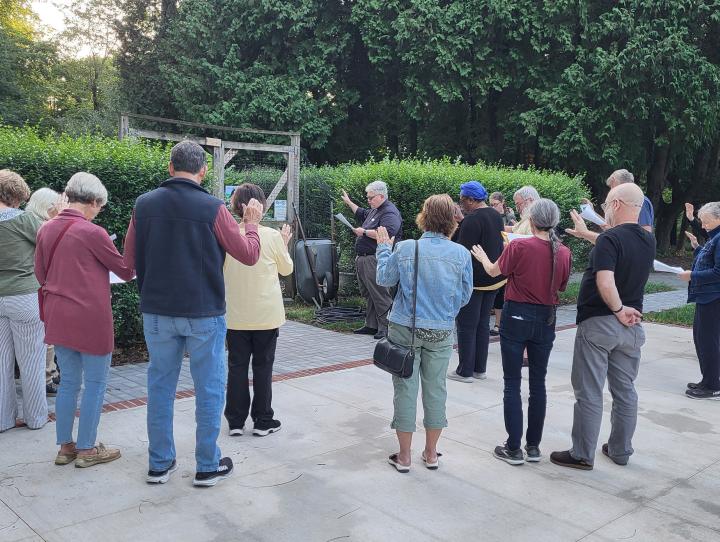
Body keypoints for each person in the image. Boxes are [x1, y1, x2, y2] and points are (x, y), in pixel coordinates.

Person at [123, 141, 262, 487]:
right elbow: (248, 255)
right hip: (203, 312)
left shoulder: (143, 205)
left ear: (170, 167)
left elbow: (127, 263)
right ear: (202, 171)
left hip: (156, 311)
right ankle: (206, 465)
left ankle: (159, 464)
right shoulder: (213, 208)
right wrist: (252, 226)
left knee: (159, 386)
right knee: (209, 388)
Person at [551, 183, 655, 470]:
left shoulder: (610, 239)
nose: (604, 208)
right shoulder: (648, 240)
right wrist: (588, 233)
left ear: (618, 204)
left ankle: (582, 454)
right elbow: (615, 244)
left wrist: (618, 309)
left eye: (607, 203)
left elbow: (605, 280)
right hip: (632, 327)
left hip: (601, 322)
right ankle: (621, 450)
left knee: (589, 391)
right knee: (625, 391)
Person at [35, 172, 135, 467]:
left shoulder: (45, 229)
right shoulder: (93, 232)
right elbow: (126, 270)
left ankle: (65, 447)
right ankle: (88, 449)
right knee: (95, 383)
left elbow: (40, 274)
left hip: (58, 313)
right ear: (92, 201)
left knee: (68, 384)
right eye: (99, 207)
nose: (98, 212)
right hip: (90, 316)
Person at [375, 194, 473, 472]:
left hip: (405, 328)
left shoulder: (406, 248)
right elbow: (464, 296)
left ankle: (404, 456)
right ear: (452, 220)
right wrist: (444, 312)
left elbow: (384, 280)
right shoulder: (461, 254)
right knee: (436, 389)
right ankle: (431, 453)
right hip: (441, 331)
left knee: (405, 389)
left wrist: (383, 249)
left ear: (424, 216)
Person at [471, 199, 572, 465]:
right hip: (546, 318)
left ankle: (513, 447)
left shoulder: (518, 245)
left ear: (531, 219)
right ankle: (534, 446)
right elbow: (561, 286)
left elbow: (494, 271)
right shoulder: (563, 251)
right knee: (538, 383)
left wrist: (483, 257)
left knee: (512, 383)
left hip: (516, 315)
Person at [223, 184, 294, 437]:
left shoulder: (227, 233)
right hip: (266, 314)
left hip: (234, 313)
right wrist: (284, 244)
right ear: (260, 206)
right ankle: (263, 420)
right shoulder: (272, 236)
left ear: (236, 206)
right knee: (263, 367)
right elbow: (287, 270)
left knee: (236, 366)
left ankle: (235, 421)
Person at [0, 171, 48, 433]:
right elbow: (49, 244)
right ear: (16, 197)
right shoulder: (26, 220)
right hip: (24, 297)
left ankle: (3, 420)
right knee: (31, 361)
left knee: (0, 363)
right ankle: (36, 418)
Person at [449, 181, 506, 383]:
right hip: (494, 279)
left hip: (474, 281)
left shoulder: (471, 220)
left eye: (462, 199)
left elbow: (459, 251)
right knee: (482, 324)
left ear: (472, 200)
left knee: (466, 325)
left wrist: (459, 223)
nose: (460, 203)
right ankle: (479, 369)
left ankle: (465, 371)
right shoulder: (494, 215)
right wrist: (462, 221)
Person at [341, 181, 403, 340]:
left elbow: (388, 234)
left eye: (371, 198)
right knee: (369, 293)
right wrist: (349, 203)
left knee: (380, 293)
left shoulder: (389, 213)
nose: (368, 200)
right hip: (363, 259)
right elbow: (361, 213)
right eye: (367, 197)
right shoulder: (375, 210)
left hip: (375, 259)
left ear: (381, 196)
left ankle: (386, 327)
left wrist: (364, 232)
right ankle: (371, 325)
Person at [27, 187, 65, 396]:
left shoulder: (28, 221)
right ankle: (47, 377)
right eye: (54, 206)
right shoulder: (40, 226)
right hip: (38, 287)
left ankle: (51, 371)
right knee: (45, 336)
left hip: (35, 286)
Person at [681, 202, 720, 400]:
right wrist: (697, 247)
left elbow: (718, 272)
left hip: (714, 297)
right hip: (707, 296)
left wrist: (693, 275)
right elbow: (708, 257)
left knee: (708, 341)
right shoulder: (715, 237)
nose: (703, 225)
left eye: (706, 221)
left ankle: (713, 385)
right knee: (701, 338)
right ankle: (708, 379)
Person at [489, 191, 515, 334]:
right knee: (496, 293)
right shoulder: (490, 216)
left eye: (495, 204)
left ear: (502, 202)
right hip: (496, 256)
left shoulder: (509, 216)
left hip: (508, 256)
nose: (493, 207)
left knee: (504, 293)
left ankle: (501, 324)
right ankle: (497, 324)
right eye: (491, 204)